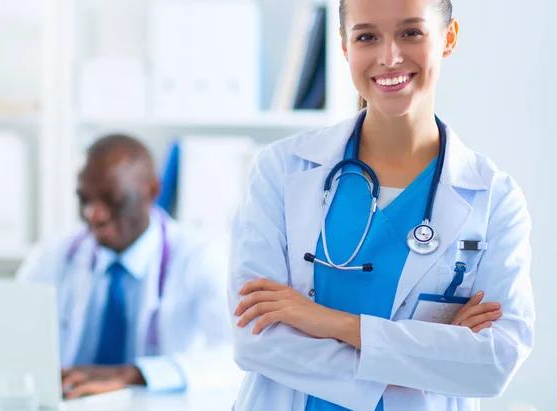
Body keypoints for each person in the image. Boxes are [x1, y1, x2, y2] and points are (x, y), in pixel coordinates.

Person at [228, 0, 534, 410]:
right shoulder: (282, 170)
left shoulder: (494, 197)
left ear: (448, 38)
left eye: (411, 33)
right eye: (367, 37)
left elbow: (496, 361)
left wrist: (332, 323)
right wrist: (432, 358)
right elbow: (254, 339)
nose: (389, 57)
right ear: (344, 46)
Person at [17, 134, 235, 398]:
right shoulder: (54, 255)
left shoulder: (199, 258)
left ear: (153, 191)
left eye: (114, 200)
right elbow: (9, 334)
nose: (94, 214)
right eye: (84, 200)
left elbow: (236, 357)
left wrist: (132, 374)